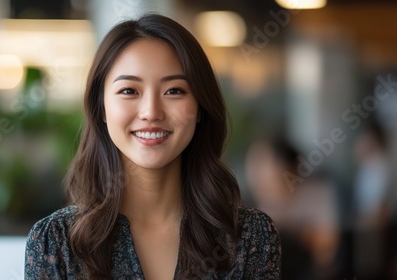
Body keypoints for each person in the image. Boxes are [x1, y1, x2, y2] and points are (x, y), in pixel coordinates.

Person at [25, 14, 281, 280]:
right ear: (101, 107)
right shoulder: (56, 243)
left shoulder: (251, 237)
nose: (151, 112)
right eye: (129, 91)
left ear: (200, 108)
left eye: (174, 91)